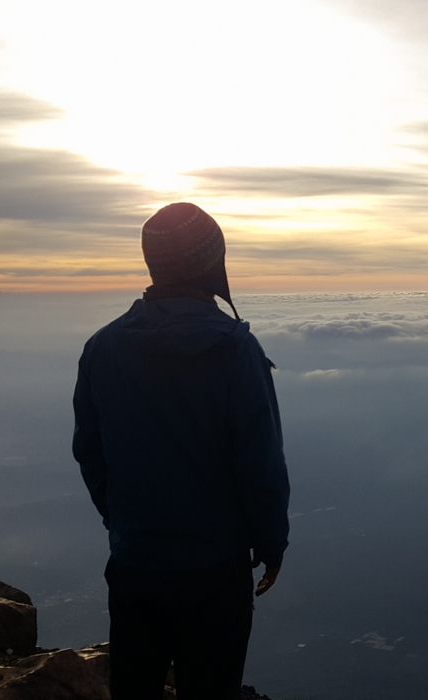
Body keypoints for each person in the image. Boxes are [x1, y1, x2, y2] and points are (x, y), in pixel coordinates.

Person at [73, 203, 290, 699]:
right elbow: (260, 464)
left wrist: (123, 521)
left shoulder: (103, 347)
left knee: (135, 686)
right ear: (212, 264)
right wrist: (271, 543)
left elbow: (90, 451)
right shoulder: (236, 352)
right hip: (216, 569)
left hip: (135, 564)